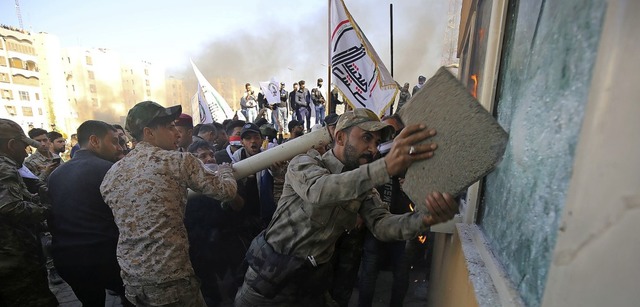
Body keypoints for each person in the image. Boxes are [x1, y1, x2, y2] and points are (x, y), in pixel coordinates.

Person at [235, 108, 459, 306]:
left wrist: (425, 219)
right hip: (267, 284)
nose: (372, 149)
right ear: (340, 137)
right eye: (366, 138)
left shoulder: (362, 186)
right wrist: (385, 167)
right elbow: (320, 190)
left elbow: (382, 225)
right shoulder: (306, 163)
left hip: (309, 286)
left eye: (376, 142)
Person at [100, 101, 238, 306]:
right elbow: (226, 192)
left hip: (133, 280)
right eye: (169, 127)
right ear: (149, 133)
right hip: (171, 280)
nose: (177, 133)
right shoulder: (178, 161)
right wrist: (226, 171)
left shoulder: (111, 174)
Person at [48, 120, 131, 306]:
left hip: (68, 260)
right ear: (95, 141)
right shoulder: (110, 170)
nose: (118, 148)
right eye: (114, 141)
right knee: (130, 299)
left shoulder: (56, 174)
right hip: (105, 257)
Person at [0, 118, 59, 306]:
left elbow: (22, 196)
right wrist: (46, 211)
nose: (26, 152)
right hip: (14, 257)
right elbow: (10, 206)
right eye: (23, 146)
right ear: (11, 145)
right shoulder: (4, 166)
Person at [358, 114, 413, 307]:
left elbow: (419, 187)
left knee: (401, 274)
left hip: (399, 224)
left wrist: (412, 183)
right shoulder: (372, 155)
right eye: (385, 135)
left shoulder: (408, 157)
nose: (391, 139)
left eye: (394, 133)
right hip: (375, 226)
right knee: (368, 274)